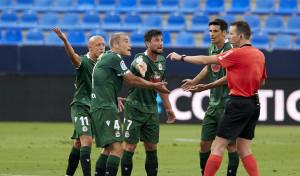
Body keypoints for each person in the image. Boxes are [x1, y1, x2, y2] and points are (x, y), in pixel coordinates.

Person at [167, 20, 266, 176]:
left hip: (237, 102)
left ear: (240, 36)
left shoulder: (235, 52)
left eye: (232, 34)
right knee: (244, 149)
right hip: (254, 103)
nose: (230, 37)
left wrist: (182, 57)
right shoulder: (259, 54)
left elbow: (205, 60)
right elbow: (261, 81)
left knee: (218, 147)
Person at [90, 32, 170, 176]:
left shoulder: (109, 58)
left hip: (105, 105)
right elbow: (132, 79)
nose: (130, 44)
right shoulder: (114, 57)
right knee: (118, 148)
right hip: (105, 107)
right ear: (116, 45)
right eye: (126, 41)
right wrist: (154, 86)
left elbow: (107, 80)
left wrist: (113, 97)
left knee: (109, 148)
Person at [53, 27, 119, 176]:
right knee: (87, 141)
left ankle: (68, 174)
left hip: (96, 108)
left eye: (103, 44)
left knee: (78, 143)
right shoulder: (83, 61)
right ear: (90, 47)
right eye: (98, 45)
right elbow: (73, 57)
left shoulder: (104, 65)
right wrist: (65, 40)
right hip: (81, 106)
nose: (102, 47)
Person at [181, 19, 239, 176]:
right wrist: (194, 81)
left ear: (224, 33)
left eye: (215, 31)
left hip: (229, 104)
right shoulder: (211, 47)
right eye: (210, 31)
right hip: (213, 105)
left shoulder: (231, 49)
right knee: (204, 144)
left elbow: (229, 77)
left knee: (231, 146)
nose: (212, 34)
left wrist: (205, 87)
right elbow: (208, 68)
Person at [120, 29, 176, 176]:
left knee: (151, 146)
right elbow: (138, 64)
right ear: (147, 43)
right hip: (134, 108)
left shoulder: (162, 61)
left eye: (161, 40)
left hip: (151, 109)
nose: (160, 43)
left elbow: (160, 86)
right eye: (156, 40)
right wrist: (141, 68)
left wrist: (169, 108)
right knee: (130, 146)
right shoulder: (140, 57)